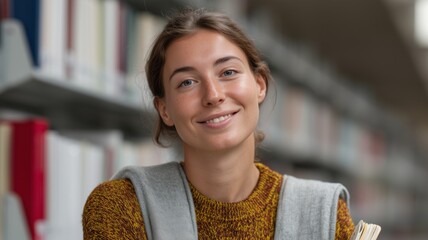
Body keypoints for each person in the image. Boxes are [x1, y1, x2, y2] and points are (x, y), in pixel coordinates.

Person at [82, 9, 355, 240]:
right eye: (187, 82)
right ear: (164, 110)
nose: (213, 95)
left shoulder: (325, 215)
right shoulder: (122, 206)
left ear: (259, 86)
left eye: (228, 72)